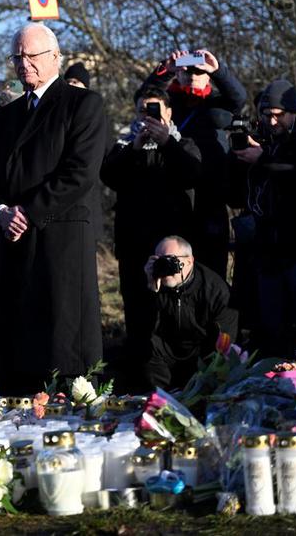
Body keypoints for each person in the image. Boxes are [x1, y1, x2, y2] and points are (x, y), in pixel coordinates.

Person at [0, 24, 107, 393]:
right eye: (17, 57)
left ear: (55, 57)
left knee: (63, 345)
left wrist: (29, 213)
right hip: (14, 244)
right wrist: (2, 211)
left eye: (31, 56)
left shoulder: (83, 104)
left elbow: (79, 173)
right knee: (20, 345)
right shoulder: (7, 115)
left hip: (60, 240)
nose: (23, 64)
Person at [227, 80, 296, 358]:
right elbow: (236, 195)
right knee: (273, 328)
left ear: (293, 112)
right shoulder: (263, 140)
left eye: (279, 114)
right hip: (269, 252)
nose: (273, 120)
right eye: (267, 115)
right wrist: (240, 158)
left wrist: (263, 159)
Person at [100, 86, 203, 380]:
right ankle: (138, 374)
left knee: (174, 310)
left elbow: (193, 173)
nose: (149, 117)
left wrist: (166, 143)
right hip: (134, 247)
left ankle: (178, 373)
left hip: (171, 248)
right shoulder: (126, 147)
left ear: (169, 113)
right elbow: (108, 175)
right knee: (137, 311)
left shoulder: (185, 144)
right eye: (143, 111)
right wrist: (135, 147)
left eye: (155, 110)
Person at [140, 48, 247, 281]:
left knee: (212, 269)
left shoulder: (217, 105)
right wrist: (165, 71)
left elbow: (239, 98)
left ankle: (210, 316)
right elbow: (146, 97)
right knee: (174, 267)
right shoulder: (170, 104)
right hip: (175, 195)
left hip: (211, 195)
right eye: (187, 70)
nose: (193, 75)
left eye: (199, 71)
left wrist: (218, 70)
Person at [142, 236, 237, 389]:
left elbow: (226, 339)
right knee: (147, 345)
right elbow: (142, 330)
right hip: (167, 354)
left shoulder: (214, 289)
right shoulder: (154, 282)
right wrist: (151, 291)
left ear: (189, 261)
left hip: (202, 354)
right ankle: (162, 397)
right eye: (159, 261)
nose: (164, 267)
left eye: (170, 260)